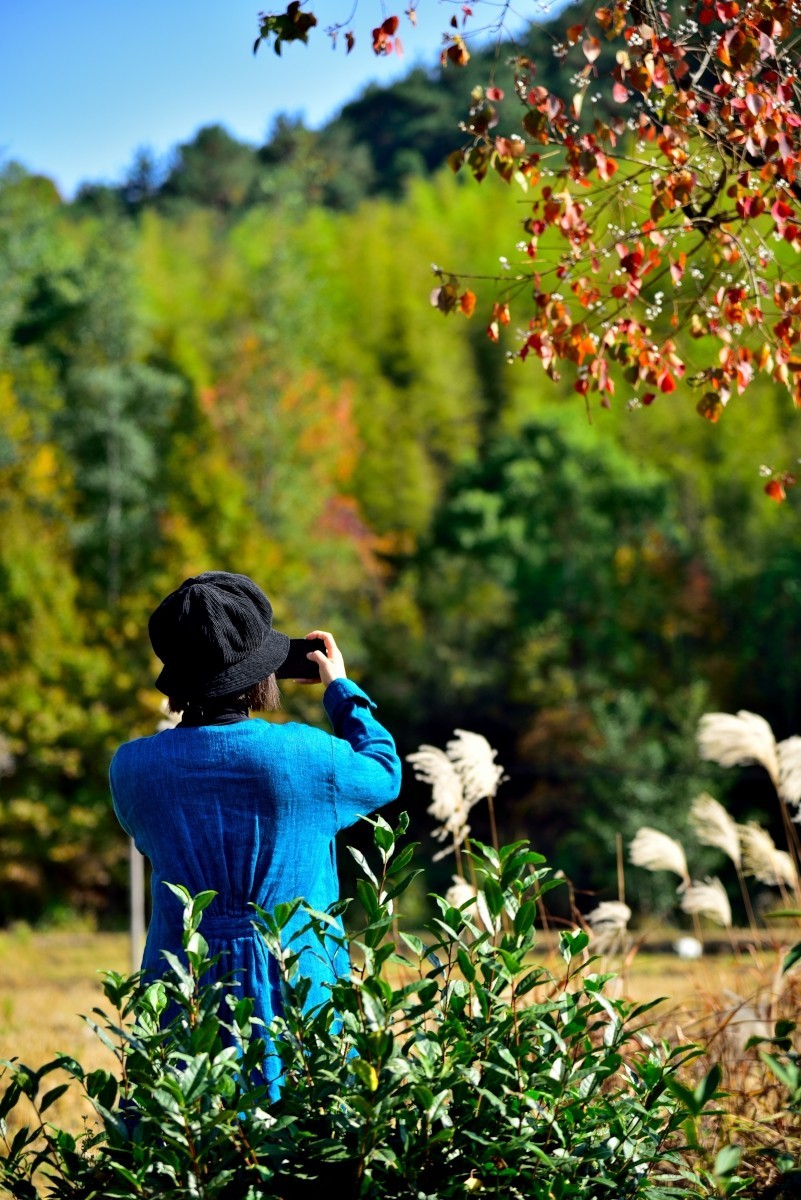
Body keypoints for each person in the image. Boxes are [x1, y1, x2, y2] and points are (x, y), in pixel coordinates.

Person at [109, 571, 402, 1094]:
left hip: (184, 993)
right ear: (262, 673)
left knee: (183, 1147)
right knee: (304, 1141)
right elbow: (384, 769)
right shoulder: (306, 757)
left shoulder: (132, 769)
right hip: (296, 988)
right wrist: (339, 691)